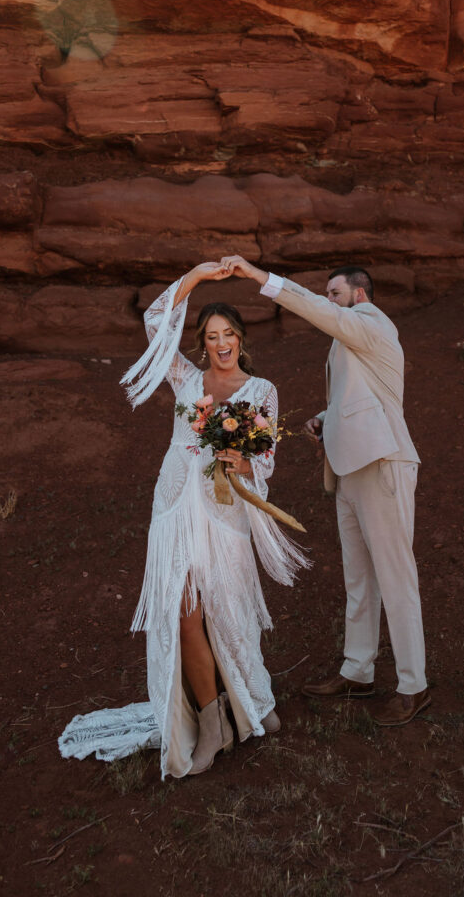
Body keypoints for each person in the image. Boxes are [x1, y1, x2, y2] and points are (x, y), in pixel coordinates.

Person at [59, 262, 307, 778]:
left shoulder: (261, 390)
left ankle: (253, 702)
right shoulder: (186, 378)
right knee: (183, 612)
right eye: (212, 336)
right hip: (174, 502)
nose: (221, 344)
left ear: (240, 338)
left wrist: (239, 460)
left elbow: (263, 461)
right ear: (201, 342)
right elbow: (155, 321)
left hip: (223, 513)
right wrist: (195, 277)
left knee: (228, 612)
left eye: (229, 335)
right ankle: (212, 725)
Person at [220, 256, 429, 726]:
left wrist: (262, 279)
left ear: (358, 294)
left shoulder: (372, 323)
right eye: (328, 294)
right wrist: (325, 419)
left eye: (334, 293)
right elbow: (359, 401)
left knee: (396, 578)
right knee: (360, 577)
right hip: (351, 470)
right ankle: (358, 671)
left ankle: (413, 686)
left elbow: (323, 313)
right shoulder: (350, 343)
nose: (329, 300)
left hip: (382, 466)